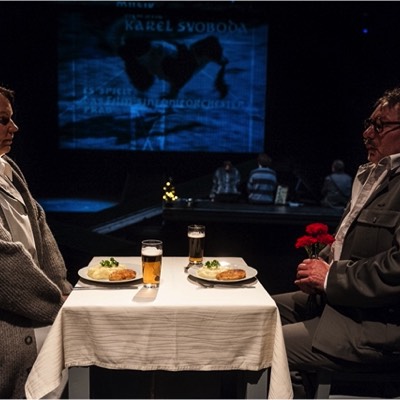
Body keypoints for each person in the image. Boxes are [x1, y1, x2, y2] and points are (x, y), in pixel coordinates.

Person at [273, 87, 400, 398]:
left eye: (379, 126)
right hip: (346, 307)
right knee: (261, 312)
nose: (367, 134)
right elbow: (355, 243)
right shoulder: (378, 176)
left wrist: (331, 277)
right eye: (369, 124)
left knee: (265, 345)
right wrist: (325, 261)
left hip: (378, 326)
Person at [0, 85, 73, 398]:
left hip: (42, 317)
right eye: (3, 120)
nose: (14, 128)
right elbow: (5, 263)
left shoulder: (8, 168)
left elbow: (40, 230)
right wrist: (58, 304)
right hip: (13, 328)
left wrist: (63, 290)